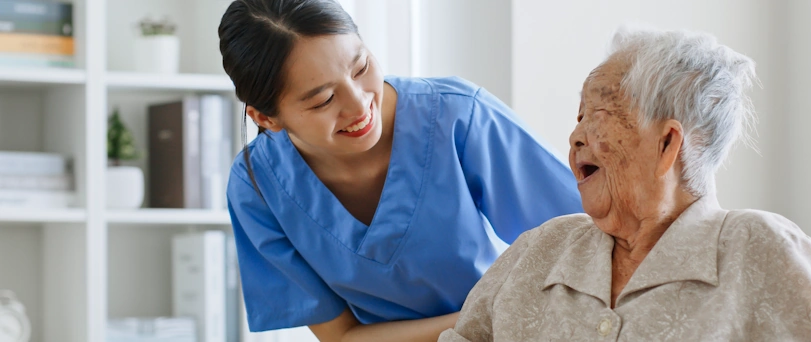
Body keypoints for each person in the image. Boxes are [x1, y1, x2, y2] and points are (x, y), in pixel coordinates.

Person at [439, 27, 811, 341]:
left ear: (666, 143)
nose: (576, 136)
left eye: (598, 114)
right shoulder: (537, 251)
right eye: (578, 116)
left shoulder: (757, 248)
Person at [219, 0, 582, 340]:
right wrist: (485, 314)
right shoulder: (255, 186)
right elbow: (341, 335)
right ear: (266, 118)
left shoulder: (458, 116)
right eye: (324, 100)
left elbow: (586, 239)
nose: (359, 104)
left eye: (361, 67)